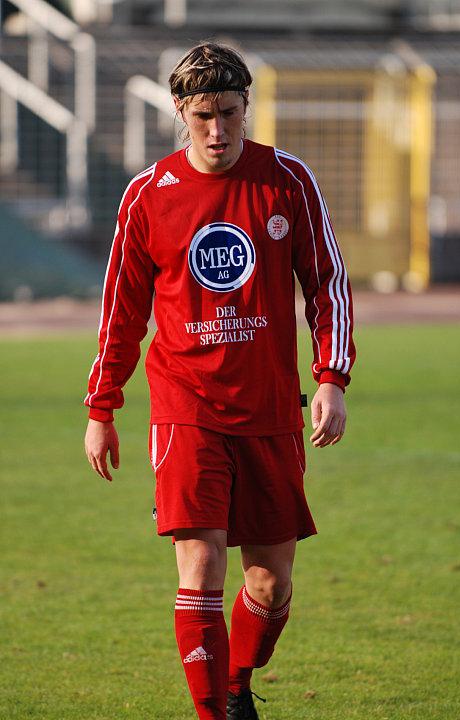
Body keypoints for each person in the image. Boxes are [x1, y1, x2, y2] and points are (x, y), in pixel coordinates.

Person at [84, 42, 356, 720]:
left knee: (271, 583)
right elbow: (122, 309)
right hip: (186, 407)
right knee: (200, 569)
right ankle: (215, 712)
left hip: (269, 410)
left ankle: (237, 682)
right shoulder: (149, 194)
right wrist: (102, 404)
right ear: (180, 111)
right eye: (203, 115)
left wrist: (331, 379)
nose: (217, 130)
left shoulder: (286, 179)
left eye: (230, 114)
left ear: (246, 109)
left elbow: (328, 286)